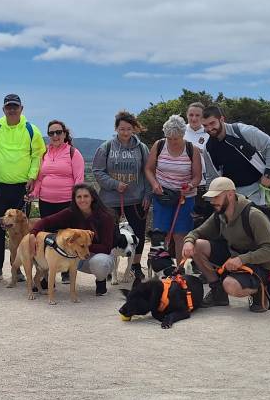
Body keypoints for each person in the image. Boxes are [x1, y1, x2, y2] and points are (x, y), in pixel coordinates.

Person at [181, 177, 270, 312]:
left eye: (216, 197)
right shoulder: (220, 214)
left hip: (259, 264)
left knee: (230, 285)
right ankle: (218, 292)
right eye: (211, 198)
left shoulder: (254, 215)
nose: (212, 201)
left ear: (231, 194)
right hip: (234, 257)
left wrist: (242, 259)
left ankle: (260, 290)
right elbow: (197, 233)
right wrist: (188, 242)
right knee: (197, 245)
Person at [0, 93, 45, 283]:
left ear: (21, 109)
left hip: (22, 188)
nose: (12, 109)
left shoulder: (32, 130)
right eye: (9, 107)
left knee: (23, 232)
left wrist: (32, 177)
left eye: (15, 106)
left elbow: (37, 155)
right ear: (4, 109)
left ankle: (20, 269)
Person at [91, 110, 150, 284]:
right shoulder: (106, 147)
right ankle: (109, 267)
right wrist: (115, 184)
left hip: (136, 199)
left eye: (128, 129)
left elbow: (147, 172)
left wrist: (148, 194)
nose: (125, 132)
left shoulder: (142, 148)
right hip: (110, 200)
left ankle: (135, 267)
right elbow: (97, 171)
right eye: (122, 129)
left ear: (133, 129)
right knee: (109, 235)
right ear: (116, 129)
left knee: (137, 234)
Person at [28, 184, 116, 296]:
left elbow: (107, 248)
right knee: (56, 252)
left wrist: (81, 246)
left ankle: (101, 280)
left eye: (86, 196)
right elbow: (45, 221)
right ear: (74, 199)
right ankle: (48, 278)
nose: (82, 200)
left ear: (92, 198)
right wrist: (32, 234)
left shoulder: (105, 217)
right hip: (76, 255)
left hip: (99, 255)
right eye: (79, 197)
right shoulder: (70, 213)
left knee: (100, 263)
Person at [144, 115, 203, 254]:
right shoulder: (159, 145)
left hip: (184, 198)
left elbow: (197, 177)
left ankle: (180, 272)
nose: (172, 142)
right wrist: (154, 184)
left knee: (180, 235)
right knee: (159, 235)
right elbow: (148, 168)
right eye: (169, 138)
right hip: (162, 195)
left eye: (175, 139)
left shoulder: (191, 149)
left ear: (183, 135)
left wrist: (190, 185)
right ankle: (159, 269)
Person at [201, 105, 270, 205]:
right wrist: (210, 202)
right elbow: (212, 177)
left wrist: (268, 175)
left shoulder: (242, 132)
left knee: (258, 219)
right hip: (233, 195)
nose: (209, 128)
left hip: (258, 189)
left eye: (212, 123)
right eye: (205, 125)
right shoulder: (208, 149)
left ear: (221, 119)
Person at [31, 119, 85, 219]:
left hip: (67, 203)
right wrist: (34, 193)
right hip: (45, 203)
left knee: (66, 234)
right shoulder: (44, 153)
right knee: (48, 233)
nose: (55, 135)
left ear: (64, 134)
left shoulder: (73, 153)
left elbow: (79, 180)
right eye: (51, 133)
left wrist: (77, 200)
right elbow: (40, 178)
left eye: (58, 132)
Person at [184, 101, 212, 187]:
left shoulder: (210, 132)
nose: (194, 118)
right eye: (191, 115)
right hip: (182, 180)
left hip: (205, 182)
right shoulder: (180, 131)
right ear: (187, 115)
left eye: (197, 115)